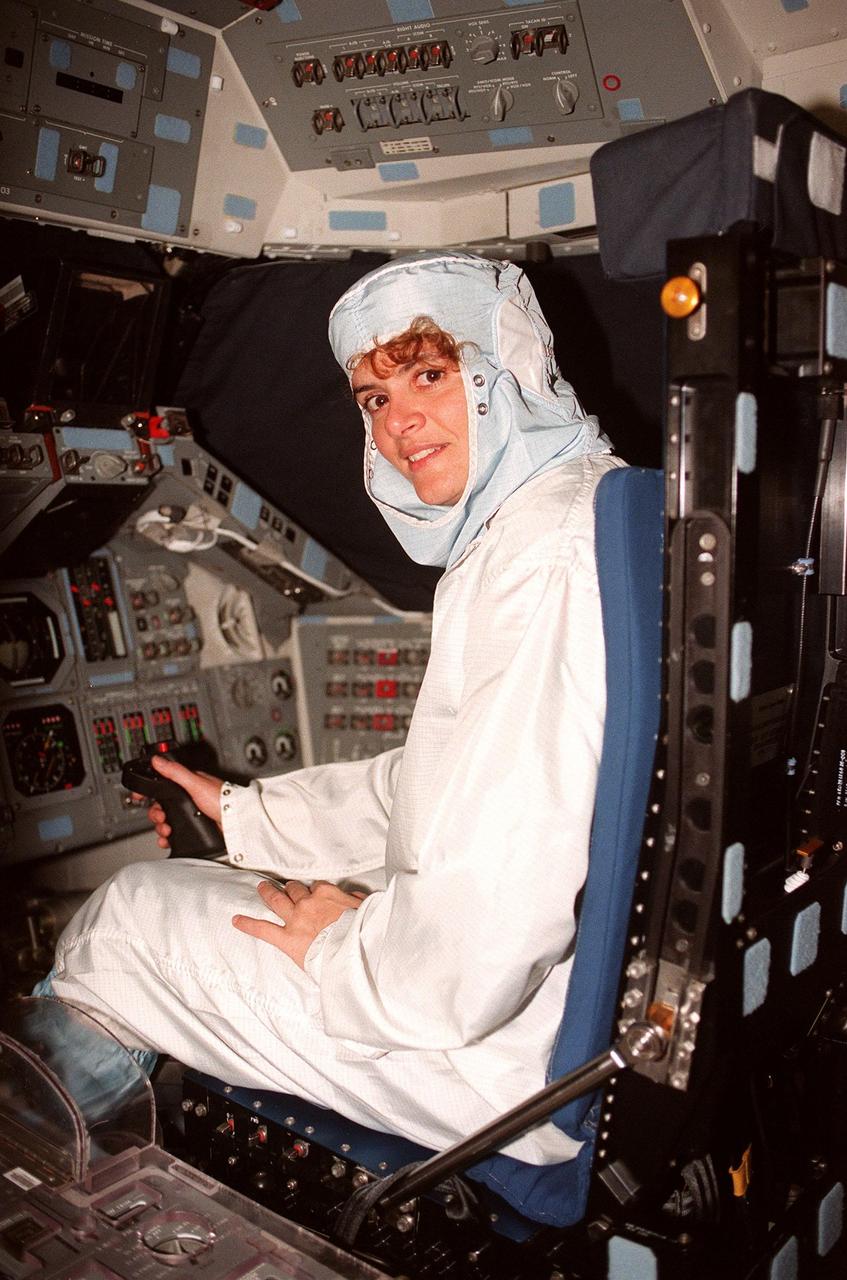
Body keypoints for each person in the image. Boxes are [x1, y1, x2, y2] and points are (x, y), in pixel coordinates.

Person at [40, 253, 622, 1164]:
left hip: (503, 1059)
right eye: (374, 398)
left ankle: (33, 1173)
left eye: (428, 375)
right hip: (533, 1008)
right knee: (195, 896)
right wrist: (245, 817)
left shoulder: (542, 560)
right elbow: (440, 790)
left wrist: (341, 949)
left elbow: (494, 907)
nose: (397, 423)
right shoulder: (565, 516)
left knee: (127, 923)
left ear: (504, 365)